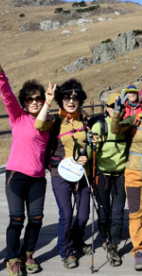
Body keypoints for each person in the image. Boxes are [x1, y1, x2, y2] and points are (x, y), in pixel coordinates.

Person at [0, 48, 49, 275]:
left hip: (38, 178)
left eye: (38, 98)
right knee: (16, 219)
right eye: (30, 99)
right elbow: (6, 94)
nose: (34, 102)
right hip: (16, 175)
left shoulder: (48, 123)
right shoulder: (18, 116)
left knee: (37, 219)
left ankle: (27, 255)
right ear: (24, 101)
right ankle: (12, 259)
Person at [35, 79, 92, 269]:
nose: (71, 101)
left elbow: (90, 144)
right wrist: (47, 101)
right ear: (61, 99)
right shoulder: (54, 121)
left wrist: (87, 157)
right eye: (67, 97)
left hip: (81, 173)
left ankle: (76, 240)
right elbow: (38, 125)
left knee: (83, 215)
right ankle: (66, 251)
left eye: (75, 98)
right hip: (60, 173)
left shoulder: (83, 119)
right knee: (66, 215)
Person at [110, 87, 142, 270]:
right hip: (132, 170)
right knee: (135, 212)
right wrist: (117, 112)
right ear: (141, 104)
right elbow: (115, 129)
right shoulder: (135, 118)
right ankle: (138, 250)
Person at [86, 92, 128, 267]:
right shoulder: (99, 126)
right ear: (107, 108)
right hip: (102, 174)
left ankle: (113, 246)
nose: (115, 109)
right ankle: (105, 236)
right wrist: (86, 167)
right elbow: (89, 152)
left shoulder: (125, 126)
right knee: (104, 212)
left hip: (121, 174)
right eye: (112, 106)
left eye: (119, 106)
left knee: (117, 213)